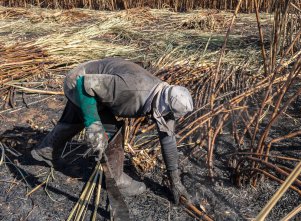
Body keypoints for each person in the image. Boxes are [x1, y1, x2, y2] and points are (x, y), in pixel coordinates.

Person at [31, 58, 193, 204]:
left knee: (78, 116)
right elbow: (83, 85)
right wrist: (94, 125)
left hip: (94, 84)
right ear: (161, 105)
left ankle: (45, 150)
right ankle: (116, 181)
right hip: (78, 82)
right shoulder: (132, 90)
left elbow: (167, 140)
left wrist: (175, 181)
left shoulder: (165, 98)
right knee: (112, 130)